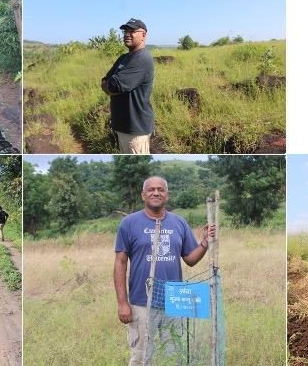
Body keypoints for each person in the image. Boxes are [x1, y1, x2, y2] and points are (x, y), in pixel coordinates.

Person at [114, 176, 215, 366]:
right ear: (143, 195)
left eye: (160, 189)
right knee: (141, 357)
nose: (156, 193)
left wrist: (204, 243)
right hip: (141, 302)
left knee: (173, 355)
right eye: (151, 189)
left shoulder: (179, 223)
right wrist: (122, 303)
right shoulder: (129, 223)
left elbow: (190, 259)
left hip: (174, 301)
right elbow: (120, 263)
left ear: (167, 195)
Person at [101, 18, 154, 154]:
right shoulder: (123, 58)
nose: (127, 34)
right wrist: (110, 86)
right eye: (125, 31)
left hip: (135, 130)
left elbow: (112, 86)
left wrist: (110, 87)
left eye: (132, 31)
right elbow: (105, 81)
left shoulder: (142, 59)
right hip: (123, 127)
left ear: (143, 35)